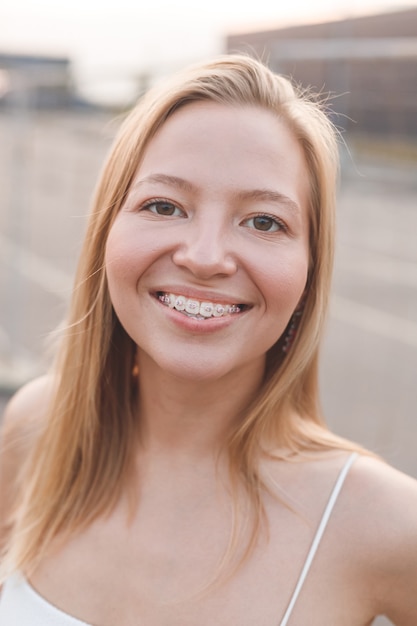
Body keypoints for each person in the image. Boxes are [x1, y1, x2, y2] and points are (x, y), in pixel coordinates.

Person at [0, 54, 416, 626]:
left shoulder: (383, 523)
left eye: (264, 221)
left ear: (309, 268)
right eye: (164, 206)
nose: (204, 257)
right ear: (106, 232)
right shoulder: (35, 431)